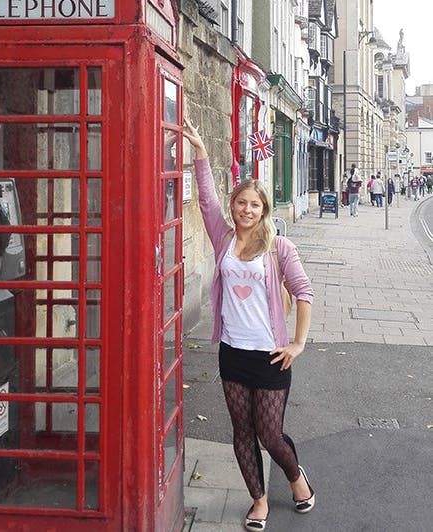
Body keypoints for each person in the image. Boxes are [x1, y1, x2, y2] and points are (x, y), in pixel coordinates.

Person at [183, 118, 315, 531]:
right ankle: (258, 500)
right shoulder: (223, 238)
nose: (246, 210)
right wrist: (201, 152)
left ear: (264, 210)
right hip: (233, 352)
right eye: (241, 202)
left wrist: (298, 343)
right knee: (241, 431)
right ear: (234, 205)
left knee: (270, 433)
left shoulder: (279, 247)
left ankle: (295, 476)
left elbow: (304, 292)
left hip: (271, 354)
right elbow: (206, 199)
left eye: (254, 205)